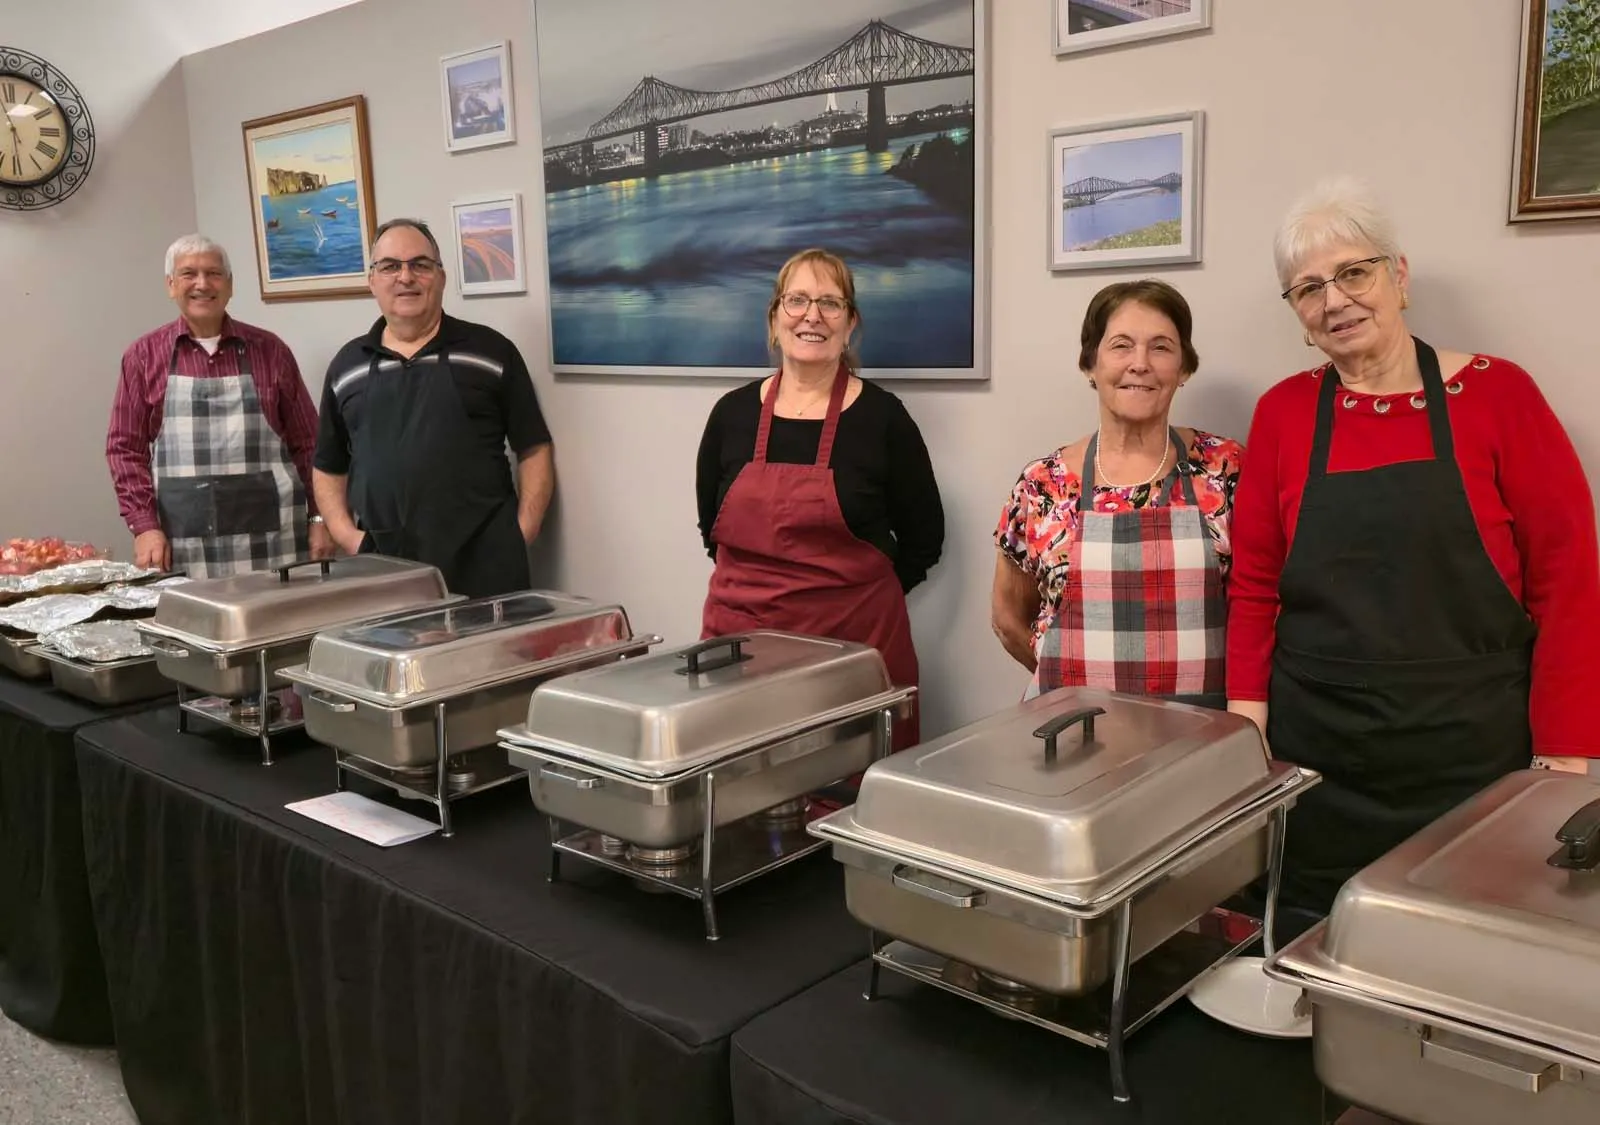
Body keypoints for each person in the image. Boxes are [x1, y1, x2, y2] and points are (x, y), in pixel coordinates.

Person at [1227, 177, 1600, 918]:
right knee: (1312, 939)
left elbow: (1570, 581)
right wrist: (1247, 733)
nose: (1334, 300)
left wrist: (1566, 754)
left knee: (1461, 943)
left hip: (1471, 754)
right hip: (1319, 757)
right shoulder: (1284, 412)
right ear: (1298, 316)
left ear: (1399, 276)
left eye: (1353, 272)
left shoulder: (1500, 394)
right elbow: (1255, 586)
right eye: (1307, 288)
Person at [696, 248, 943, 748]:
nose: (813, 316)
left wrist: (859, 600)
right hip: (742, 652)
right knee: (744, 791)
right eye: (798, 301)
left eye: (831, 303)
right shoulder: (732, 414)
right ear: (774, 318)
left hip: (853, 651)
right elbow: (710, 526)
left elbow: (925, 536)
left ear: (850, 324)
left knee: (847, 792)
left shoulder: (883, 418)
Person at [992, 280, 1242, 706]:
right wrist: (1067, 685)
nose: (1140, 363)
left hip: (1204, 733)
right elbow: (1007, 617)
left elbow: (1259, 611)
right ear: (1090, 363)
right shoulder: (1042, 483)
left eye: (1161, 347)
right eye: (1121, 345)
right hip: (1075, 734)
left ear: (1184, 368)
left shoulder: (1227, 468)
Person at [312, 218, 554, 597]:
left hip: (487, 568)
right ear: (372, 280)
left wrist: (523, 530)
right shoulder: (347, 367)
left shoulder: (491, 352)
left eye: (420, 265)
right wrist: (348, 536)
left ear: (440, 278)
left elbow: (535, 447)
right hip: (383, 571)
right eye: (390, 266)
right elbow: (328, 465)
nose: (405, 277)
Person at [106, 234, 332, 577]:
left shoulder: (271, 352)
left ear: (229, 285)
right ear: (170, 285)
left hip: (274, 546)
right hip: (181, 546)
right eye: (188, 274)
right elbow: (124, 449)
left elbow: (310, 445)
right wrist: (144, 526)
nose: (202, 284)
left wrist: (319, 517)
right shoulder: (143, 357)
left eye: (214, 273)